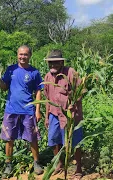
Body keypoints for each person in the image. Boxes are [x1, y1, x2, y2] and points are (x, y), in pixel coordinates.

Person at [0, 45, 44, 177]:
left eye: (25, 54)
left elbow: (38, 91)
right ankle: (8, 164)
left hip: (28, 110)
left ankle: (37, 162)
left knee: (33, 138)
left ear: (30, 56)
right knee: (9, 138)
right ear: (17, 55)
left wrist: (38, 110)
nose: (23, 57)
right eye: (21, 54)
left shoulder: (34, 72)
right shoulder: (11, 70)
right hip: (11, 110)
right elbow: (4, 87)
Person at [43, 50, 83, 179]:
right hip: (54, 114)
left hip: (71, 115)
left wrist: (73, 103)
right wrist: (46, 116)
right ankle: (59, 163)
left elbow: (81, 91)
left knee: (75, 142)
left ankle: (78, 169)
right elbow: (47, 97)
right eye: (50, 63)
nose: (53, 65)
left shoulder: (71, 73)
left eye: (55, 62)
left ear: (62, 62)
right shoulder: (48, 76)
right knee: (54, 139)